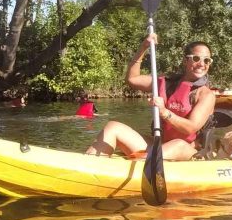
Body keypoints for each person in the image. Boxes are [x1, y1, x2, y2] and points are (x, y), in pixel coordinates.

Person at [85, 34, 216, 160]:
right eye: (196, 58)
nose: (202, 64)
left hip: (189, 152)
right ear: (185, 60)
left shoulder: (206, 95)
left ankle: (143, 163)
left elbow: (190, 128)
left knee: (178, 144)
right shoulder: (167, 82)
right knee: (113, 127)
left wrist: (164, 112)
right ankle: (89, 166)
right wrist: (143, 47)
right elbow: (132, 79)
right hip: (160, 146)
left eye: (207, 60)